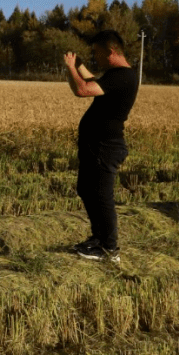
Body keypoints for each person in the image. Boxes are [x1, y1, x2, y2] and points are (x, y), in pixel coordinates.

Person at [63, 30, 139, 263]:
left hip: (105, 147)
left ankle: (109, 248)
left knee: (102, 195)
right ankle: (98, 239)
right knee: (86, 189)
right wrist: (80, 66)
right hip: (96, 145)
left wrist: (70, 67)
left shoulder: (123, 76)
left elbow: (82, 89)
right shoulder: (117, 75)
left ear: (112, 51)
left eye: (97, 53)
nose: (96, 57)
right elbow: (94, 81)